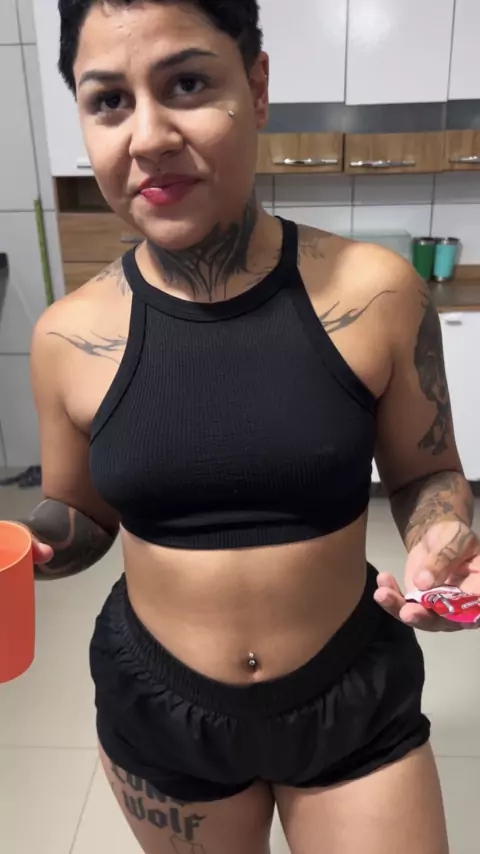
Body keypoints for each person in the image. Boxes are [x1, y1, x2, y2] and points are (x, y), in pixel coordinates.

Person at [24, 1, 480, 852]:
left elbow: (428, 473)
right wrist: (28, 544)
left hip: (351, 700)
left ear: (258, 87)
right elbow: (80, 514)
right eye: (109, 101)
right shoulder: (65, 338)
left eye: (187, 84)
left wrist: (444, 537)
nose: (149, 136)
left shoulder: (377, 293)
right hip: (162, 714)